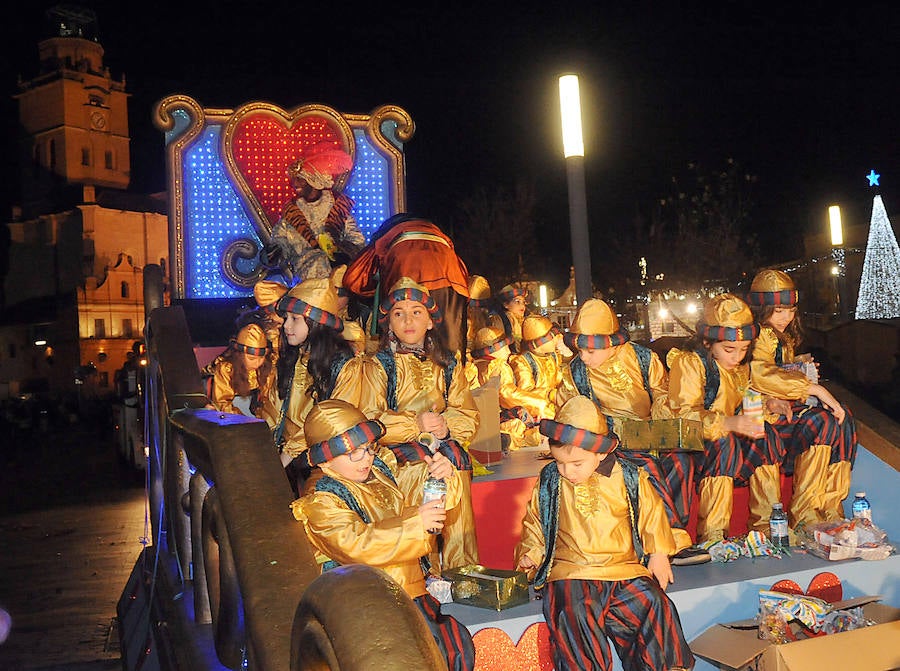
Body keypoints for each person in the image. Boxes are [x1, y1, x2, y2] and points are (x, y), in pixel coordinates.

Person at [291, 399, 475, 671]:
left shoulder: (378, 474)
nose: (366, 458)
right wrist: (416, 524)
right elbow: (357, 544)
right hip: (368, 605)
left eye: (368, 449)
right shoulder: (321, 500)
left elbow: (410, 511)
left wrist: (445, 479)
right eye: (354, 453)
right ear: (325, 458)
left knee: (453, 651)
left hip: (411, 593)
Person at [515, 396, 694, 671]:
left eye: (576, 464)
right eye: (560, 463)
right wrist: (531, 554)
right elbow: (535, 523)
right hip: (572, 571)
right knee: (575, 616)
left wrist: (658, 553)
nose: (567, 472)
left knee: (655, 605)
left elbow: (652, 514)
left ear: (600, 453)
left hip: (623, 570)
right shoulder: (550, 479)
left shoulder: (629, 476)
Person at [357, 277, 480, 570]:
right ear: (389, 323)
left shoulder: (448, 363)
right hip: (398, 456)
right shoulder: (379, 365)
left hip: (443, 449)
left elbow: (468, 413)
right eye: (399, 313)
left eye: (416, 312)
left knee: (456, 470)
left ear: (429, 321)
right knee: (424, 480)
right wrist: (416, 423)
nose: (408, 320)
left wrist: (446, 427)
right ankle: (424, 570)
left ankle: (462, 570)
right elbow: (370, 419)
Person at [558, 299, 696, 557]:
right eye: (580, 350)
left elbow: (662, 393)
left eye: (591, 351)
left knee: (681, 462)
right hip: (607, 444)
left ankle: (668, 530)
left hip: (650, 433)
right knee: (645, 467)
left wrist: (659, 420)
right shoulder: (574, 373)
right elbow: (570, 412)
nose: (584, 358)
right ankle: (670, 541)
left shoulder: (643, 358)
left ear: (610, 342)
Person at [660, 294, 786, 545]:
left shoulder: (739, 368)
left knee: (766, 435)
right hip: (688, 440)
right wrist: (728, 423)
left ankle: (768, 525)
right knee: (723, 444)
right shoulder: (690, 363)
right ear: (708, 342)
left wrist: (768, 405)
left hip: (723, 436)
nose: (737, 357)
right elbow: (684, 416)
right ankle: (714, 535)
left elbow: (747, 401)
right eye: (729, 350)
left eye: (743, 350)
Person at [747, 269, 857, 525]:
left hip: (781, 414)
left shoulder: (780, 338)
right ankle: (806, 512)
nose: (786, 316)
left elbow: (774, 370)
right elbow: (759, 374)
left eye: (791, 310)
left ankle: (829, 508)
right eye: (779, 311)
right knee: (823, 421)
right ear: (763, 310)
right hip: (758, 418)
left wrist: (798, 364)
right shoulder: (758, 335)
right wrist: (815, 389)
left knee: (842, 421)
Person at [259, 277, 362, 495]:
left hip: (325, 465)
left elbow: (329, 424)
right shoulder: (291, 357)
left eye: (295, 318)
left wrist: (285, 457)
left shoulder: (346, 366)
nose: (286, 325)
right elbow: (272, 412)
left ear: (316, 323)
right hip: (286, 461)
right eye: (286, 318)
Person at [342, 214, 471, 356]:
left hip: (405, 269)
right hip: (451, 278)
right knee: (451, 348)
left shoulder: (386, 235)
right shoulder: (438, 234)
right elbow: (464, 275)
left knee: (403, 343)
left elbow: (353, 278)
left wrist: (373, 294)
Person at [261, 142, 365, 283]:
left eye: (301, 180)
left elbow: (357, 243)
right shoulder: (292, 214)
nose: (295, 184)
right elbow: (281, 243)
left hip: (337, 282)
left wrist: (341, 251)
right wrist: (274, 252)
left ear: (314, 181)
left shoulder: (338, 208)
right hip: (305, 283)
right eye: (294, 180)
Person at [468, 326, 545, 451]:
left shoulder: (474, 366)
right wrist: (540, 403)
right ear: (494, 349)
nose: (509, 352)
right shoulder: (498, 366)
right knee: (519, 419)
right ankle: (520, 439)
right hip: (493, 420)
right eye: (505, 347)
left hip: (476, 420)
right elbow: (507, 394)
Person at [203, 323, 276, 417]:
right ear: (239, 355)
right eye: (251, 359)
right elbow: (222, 403)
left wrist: (262, 420)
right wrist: (246, 421)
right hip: (231, 419)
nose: (257, 363)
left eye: (261, 358)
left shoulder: (266, 368)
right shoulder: (226, 369)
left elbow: (267, 399)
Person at [509, 314, 567, 424]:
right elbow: (527, 393)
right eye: (552, 337)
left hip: (556, 401)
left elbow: (559, 378)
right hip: (539, 410)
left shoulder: (553, 356)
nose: (556, 339)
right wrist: (549, 394)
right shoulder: (523, 362)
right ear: (539, 344)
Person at [489, 283, 527, 353]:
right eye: (517, 302)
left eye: (524, 302)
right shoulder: (500, 320)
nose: (522, 305)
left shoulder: (524, 321)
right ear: (506, 304)